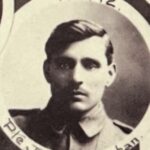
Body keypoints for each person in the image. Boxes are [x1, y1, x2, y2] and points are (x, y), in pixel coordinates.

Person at [0, 19, 133, 150]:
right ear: (47, 71)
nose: (76, 78)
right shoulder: (8, 132)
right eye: (64, 65)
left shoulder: (130, 141)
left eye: (90, 66)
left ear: (110, 74)